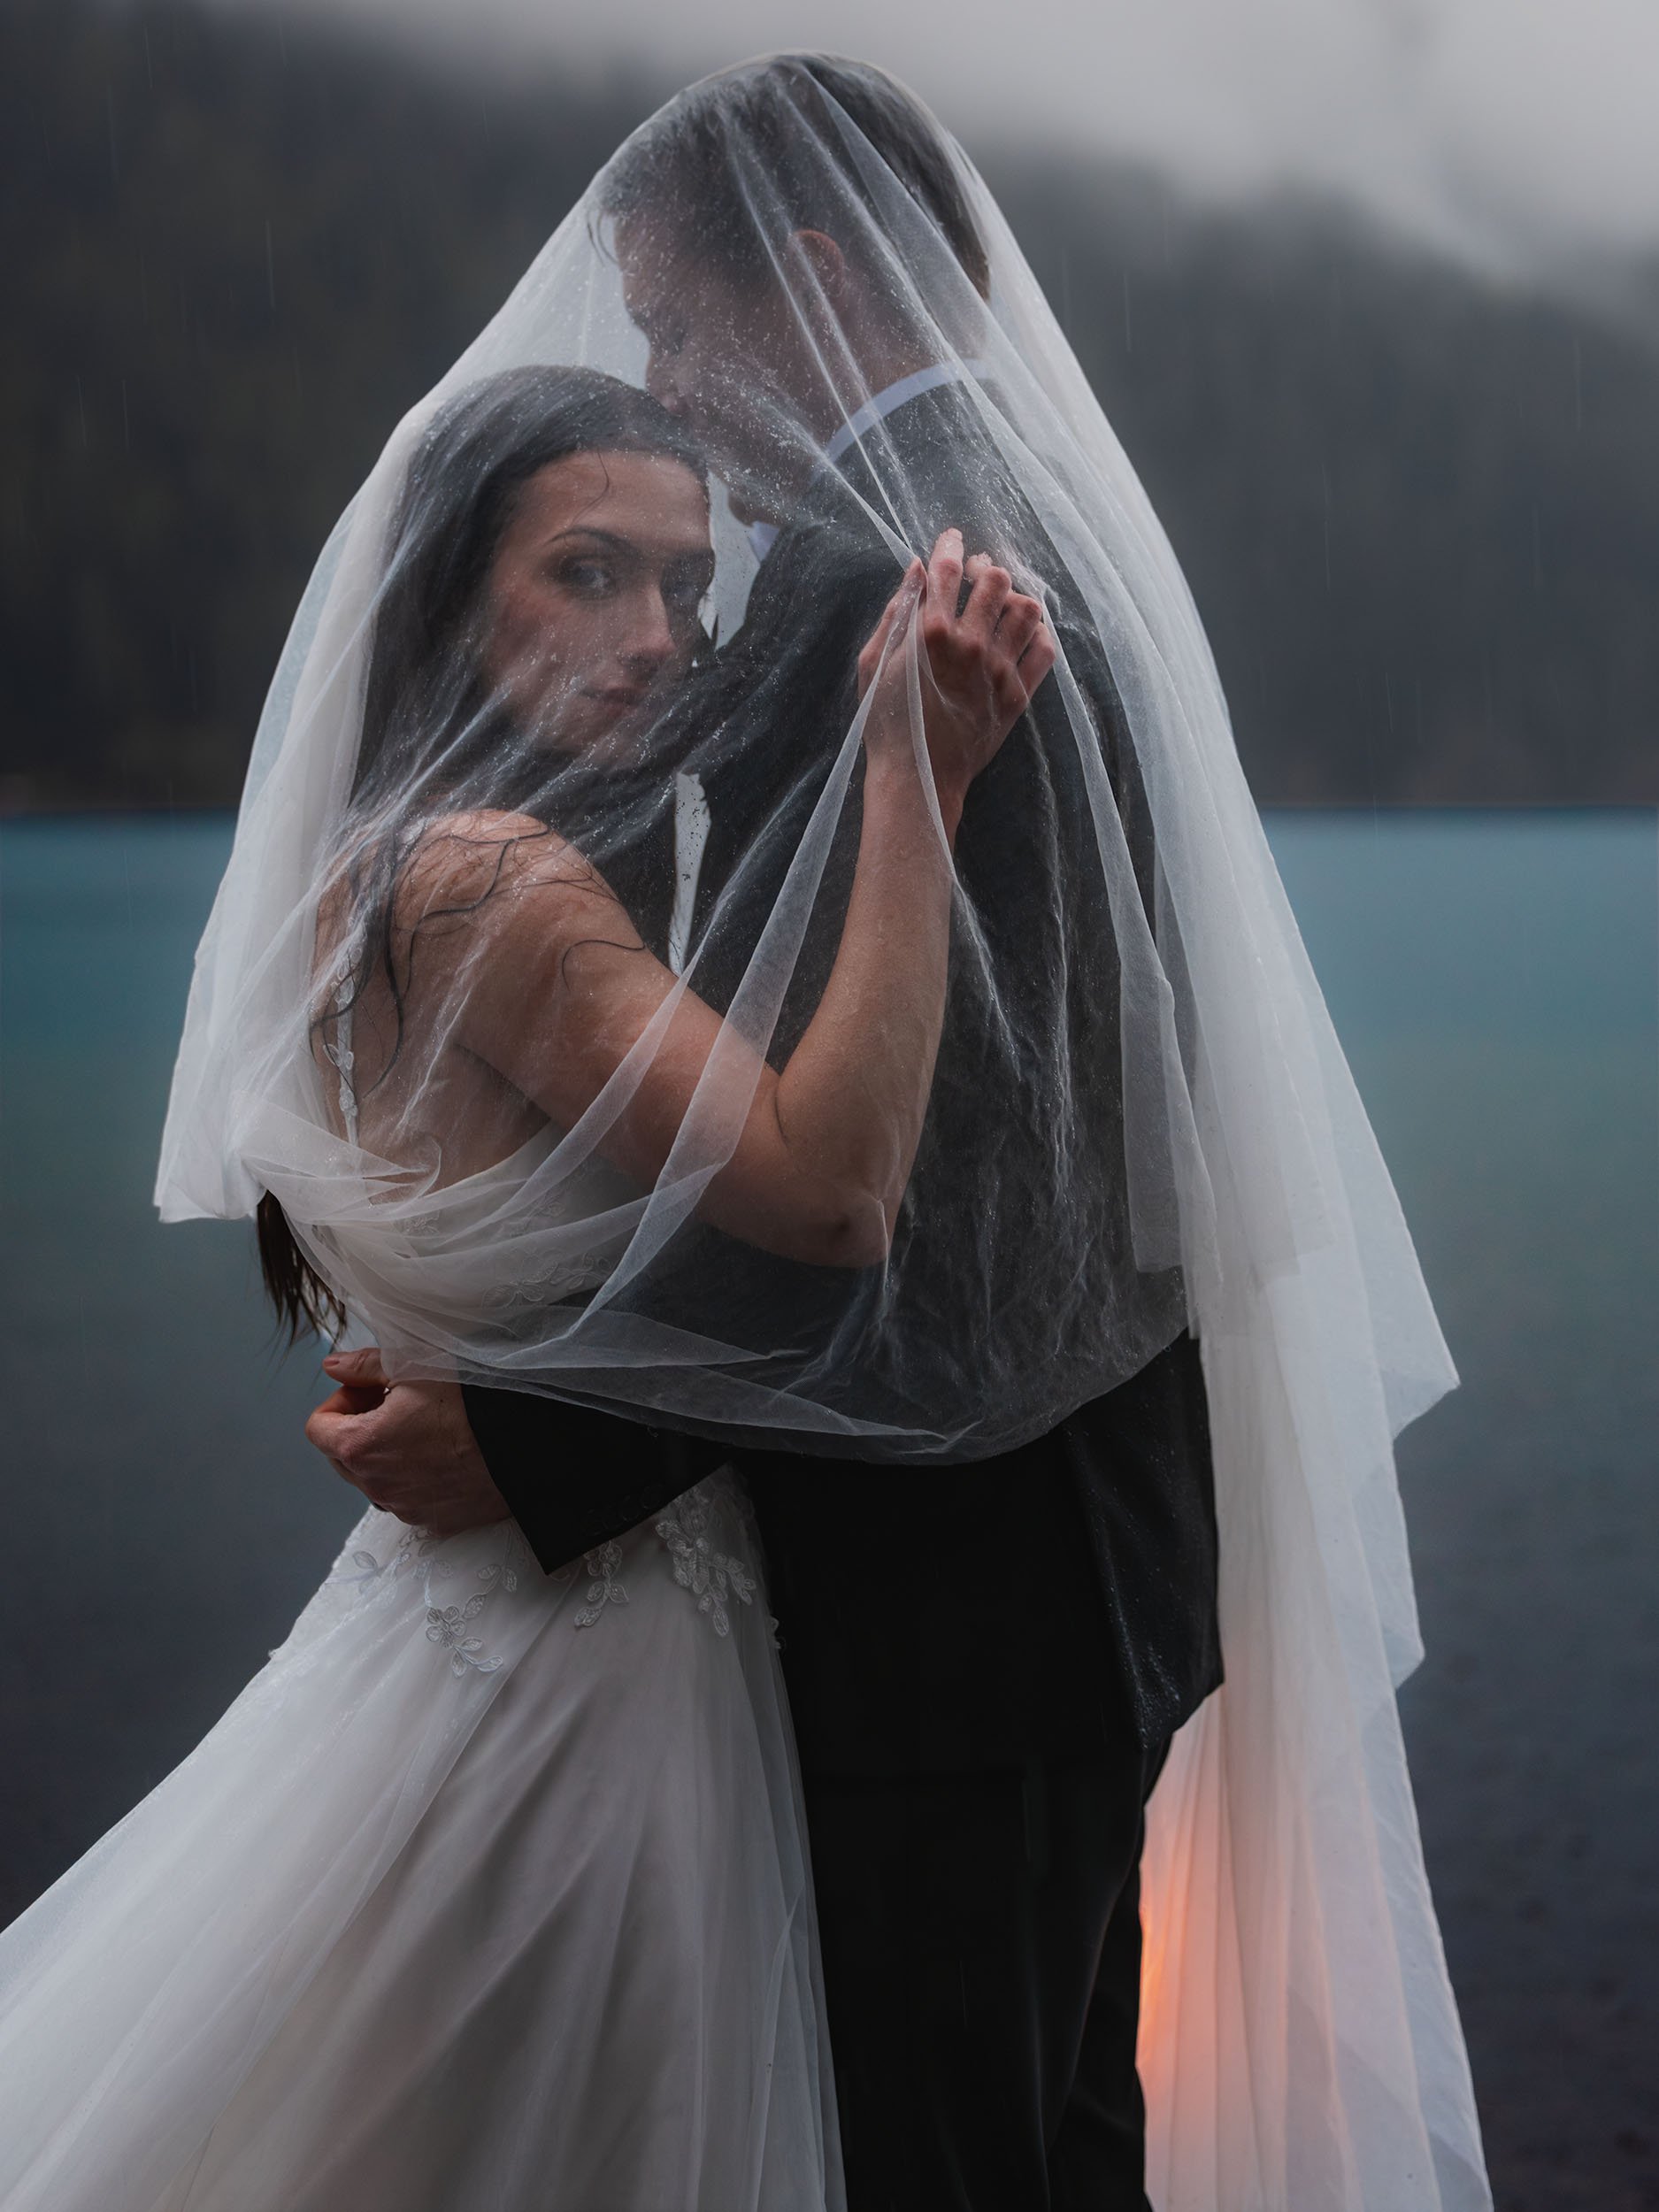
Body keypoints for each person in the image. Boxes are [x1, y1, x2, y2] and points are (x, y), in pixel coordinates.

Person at [301, 57, 1492, 2212]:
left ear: (819, 282)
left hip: (944, 1605)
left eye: (672, 320)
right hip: (1072, 1557)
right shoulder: (1005, 532)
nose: (658, 372)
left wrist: (557, 1442)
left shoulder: (888, 587)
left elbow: (937, 1179)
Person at [0, 360, 1051, 2208]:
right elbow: (825, 1192)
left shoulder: (400, 855)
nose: (654, 634)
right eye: (586, 573)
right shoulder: (494, 884)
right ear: (447, 600)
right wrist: (915, 771)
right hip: (580, 1674)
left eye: (682, 582)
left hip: (500, 1614)